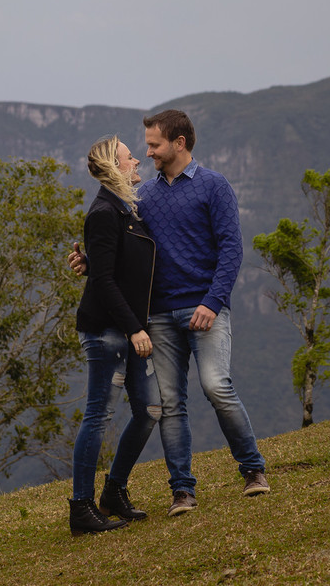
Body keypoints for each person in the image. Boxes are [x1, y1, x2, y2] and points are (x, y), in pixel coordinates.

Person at [71, 109, 269, 517]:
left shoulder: (215, 186)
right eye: (143, 147)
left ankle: (253, 470)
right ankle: (182, 491)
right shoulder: (143, 197)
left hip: (205, 309)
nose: (148, 153)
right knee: (170, 404)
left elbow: (232, 250)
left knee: (216, 387)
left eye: (155, 145)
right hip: (158, 315)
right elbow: (124, 252)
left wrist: (211, 303)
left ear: (179, 143)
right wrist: (91, 263)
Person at [68, 135, 161, 536]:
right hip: (108, 331)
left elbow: (111, 266)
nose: (136, 160)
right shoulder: (104, 212)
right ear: (113, 167)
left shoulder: (126, 208)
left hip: (126, 328)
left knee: (150, 409)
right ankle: (81, 508)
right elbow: (105, 281)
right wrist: (135, 328)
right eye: (128, 157)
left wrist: (88, 261)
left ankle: (114, 491)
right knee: (98, 415)